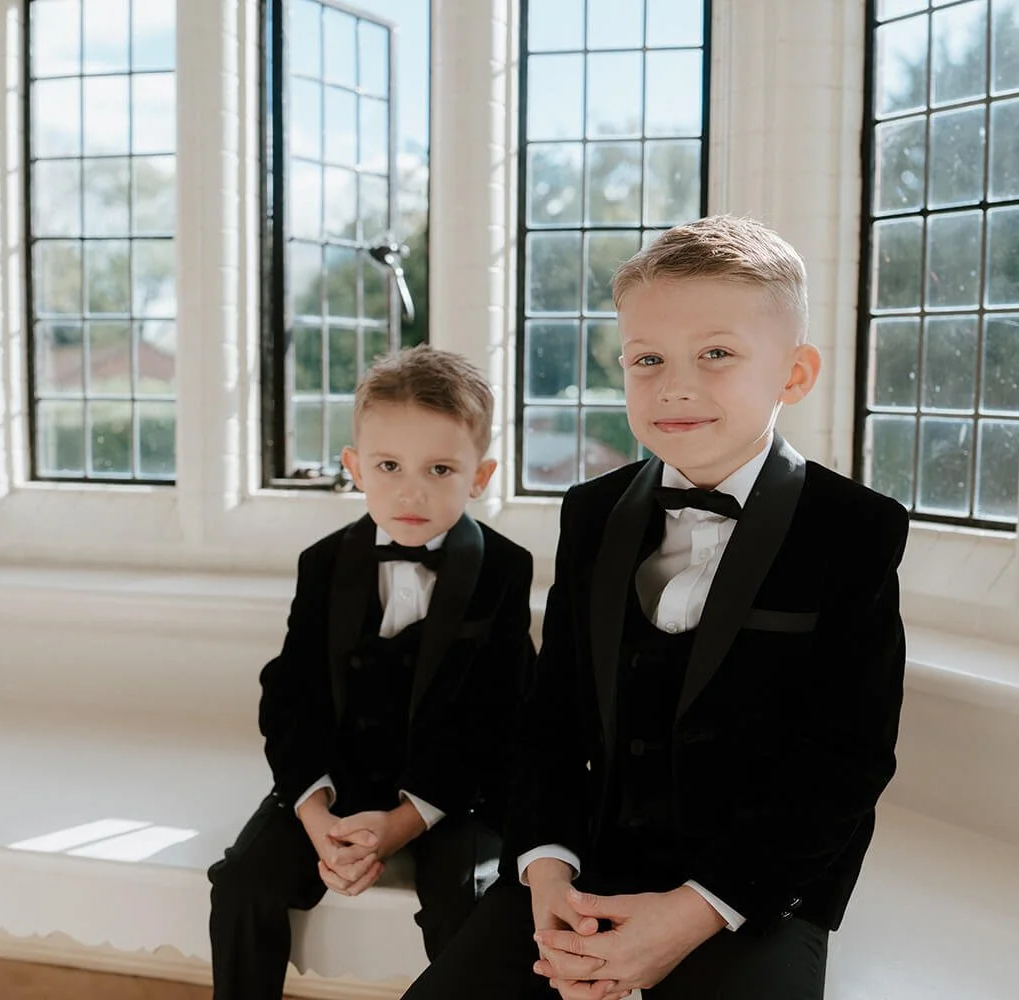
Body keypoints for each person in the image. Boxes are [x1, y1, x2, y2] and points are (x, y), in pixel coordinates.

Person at [402, 215, 910, 1000]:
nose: (676, 384)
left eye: (717, 353)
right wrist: (546, 873)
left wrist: (694, 912)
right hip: (585, 864)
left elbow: (845, 763)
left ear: (795, 374)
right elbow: (551, 719)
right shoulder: (591, 512)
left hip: (756, 889)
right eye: (647, 359)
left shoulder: (854, 528)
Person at [208, 345, 536, 1000]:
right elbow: (291, 695)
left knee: (469, 901)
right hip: (338, 777)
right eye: (389, 466)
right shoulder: (324, 564)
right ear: (356, 468)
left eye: (440, 468)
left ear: (480, 475)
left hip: (456, 790)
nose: (411, 490)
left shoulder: (503, 570)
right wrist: (316, 816)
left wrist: (404, 823)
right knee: (243, 883)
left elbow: (495, 720)